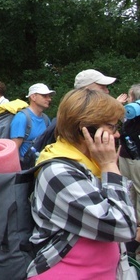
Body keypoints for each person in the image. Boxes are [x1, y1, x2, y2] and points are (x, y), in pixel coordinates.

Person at [27, 88, 136, 278]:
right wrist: (110, 165)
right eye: (111, 127)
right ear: (85, 129)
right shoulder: (58, 172)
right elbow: (123, 226)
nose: (117, 135)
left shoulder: (89, 164)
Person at [118, 83, 140, 255]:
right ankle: (129, 224)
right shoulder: (129, 112)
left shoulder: (134, 111)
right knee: (127, 189)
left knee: (138, 191)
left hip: (136, 157)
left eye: (131, 97)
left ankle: (137, 229)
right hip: (125, 155)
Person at [10, 83, 54, 169]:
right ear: (33, 97)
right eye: (44, 96)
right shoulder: (21, 117)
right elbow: (14, 149)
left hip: (40, 166)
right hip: (25, 168)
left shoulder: (45, 119)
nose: (49, 99)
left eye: (49, 96)